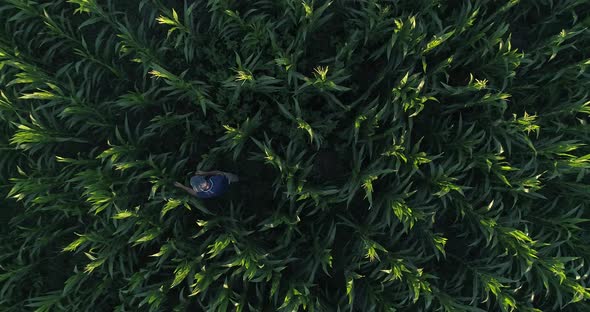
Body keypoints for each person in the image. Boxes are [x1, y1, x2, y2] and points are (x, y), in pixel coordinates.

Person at [174, 170, 239, 198]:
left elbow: (190, 191)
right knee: (235, 178)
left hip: (225, 190)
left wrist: (181, 186)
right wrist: (205, 173)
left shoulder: (204, 194)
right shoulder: (215, 180)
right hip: (228, 180)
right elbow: (219, 173)